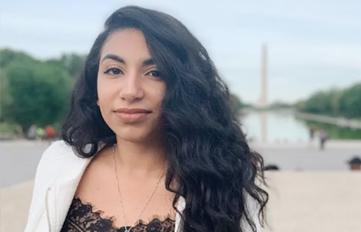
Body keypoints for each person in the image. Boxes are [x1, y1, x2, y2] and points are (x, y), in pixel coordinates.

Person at [24, 6, 268, 232]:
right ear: (94, 87)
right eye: (114, 71)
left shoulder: (226, 179)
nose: (130, 91)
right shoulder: (57, 164)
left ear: (185, 89)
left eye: (155, 73)